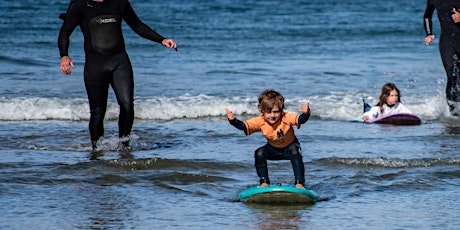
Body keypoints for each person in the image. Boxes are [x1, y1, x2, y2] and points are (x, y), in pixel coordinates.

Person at [58, 0, 177, 151]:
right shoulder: (81, 5)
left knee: (127, 105)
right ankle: (97, 150)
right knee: (98, 111)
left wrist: (161, 39)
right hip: (95, 65)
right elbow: (65, 31)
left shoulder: (119, 2)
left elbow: (137, 25)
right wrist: (64, 56)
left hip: (119, 62)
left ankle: (124, 146)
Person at [225, 89, 311, 189]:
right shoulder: (260, 121)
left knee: (295, 150)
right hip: (272, 149)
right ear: (262, 111)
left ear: (281, 110)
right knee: (259, 152)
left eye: (276, 112)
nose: (272, 115)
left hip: (290, 148)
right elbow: (243, 126)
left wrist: (306, 114)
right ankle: (264, 182)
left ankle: (299, 183)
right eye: (268, 112)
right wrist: (233, 121)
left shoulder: (286, 118)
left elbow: (301, 120)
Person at [423, 0, 460, 116]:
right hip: (447, 42)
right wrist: (429, 33)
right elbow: (427, 16)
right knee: (452, 76)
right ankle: (454, 113)